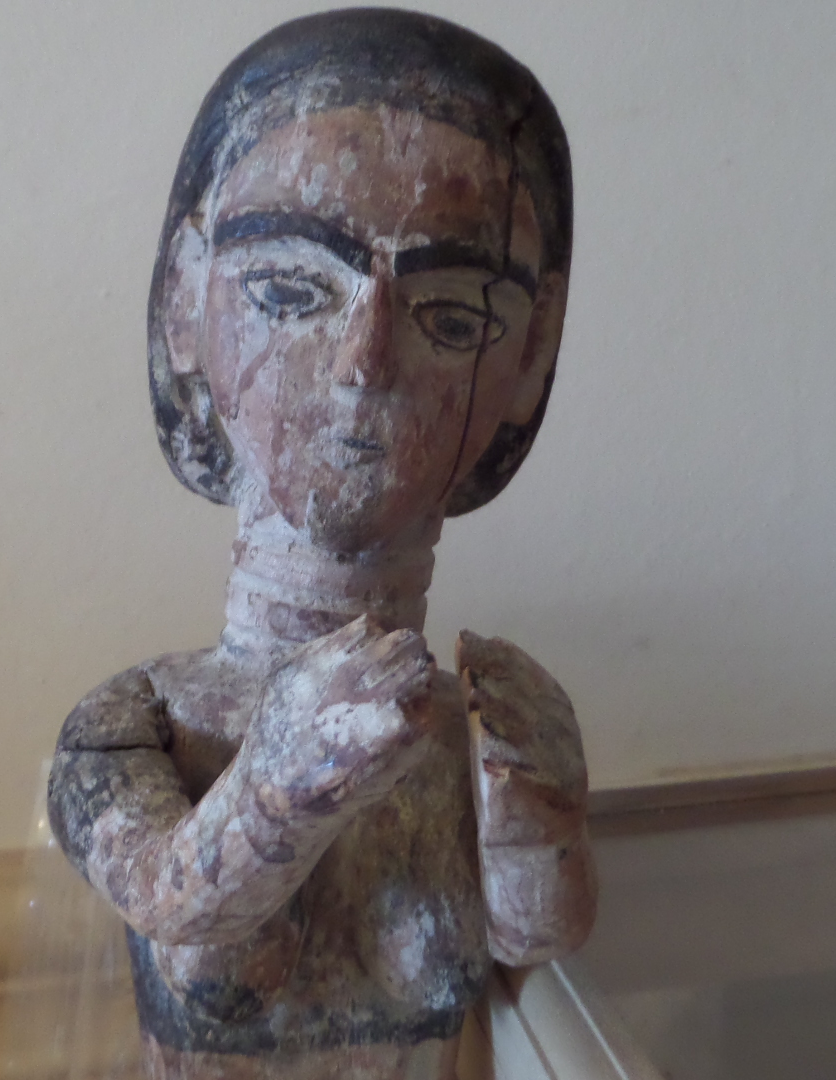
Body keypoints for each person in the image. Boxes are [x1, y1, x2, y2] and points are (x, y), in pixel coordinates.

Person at [48, 11, 594, 1077]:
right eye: (291, 291)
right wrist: (273, 793)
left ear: (532, 353)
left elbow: (537, 943)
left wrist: (539, 829)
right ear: (185, 300)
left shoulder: (482, 724)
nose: (364, 360)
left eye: (453, 317)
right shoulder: (132, 725)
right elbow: (172, 898)